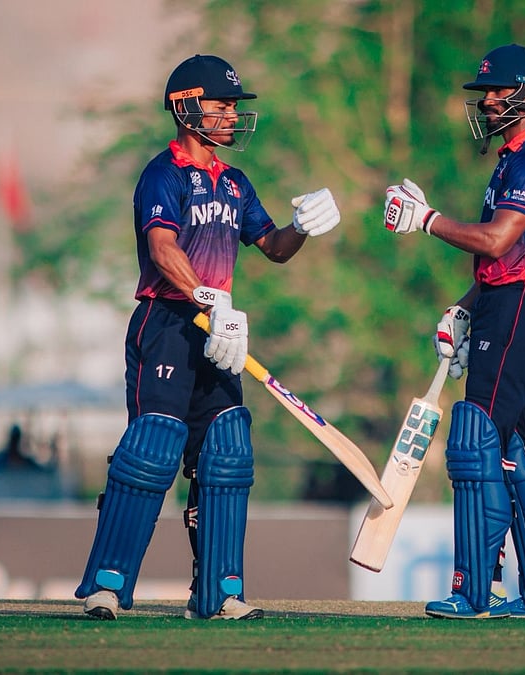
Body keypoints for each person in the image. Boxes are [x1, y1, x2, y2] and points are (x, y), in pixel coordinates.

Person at [74, 54, 341, 621]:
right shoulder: (162, 175)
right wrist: (209, 300)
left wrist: (304, 229)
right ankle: (107, 584)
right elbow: (163, 249)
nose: (230, 116)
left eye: (233, 107)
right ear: (186, 106)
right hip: (168, 324)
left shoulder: (236, 182)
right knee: (153, 450)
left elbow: (272, 247)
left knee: (225, 455)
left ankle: (220, 591)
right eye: (221, 106)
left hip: (220, 334)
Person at [382, 43, 525, 619]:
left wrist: (426, 219)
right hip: (512, 305)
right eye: (486, 92)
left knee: (476, 444)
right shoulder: (510, 160)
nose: (489, 101)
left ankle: (478, 590)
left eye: (499, 91)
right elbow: (499, 259)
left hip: (520, 307)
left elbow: (497, 241)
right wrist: (466, 306)